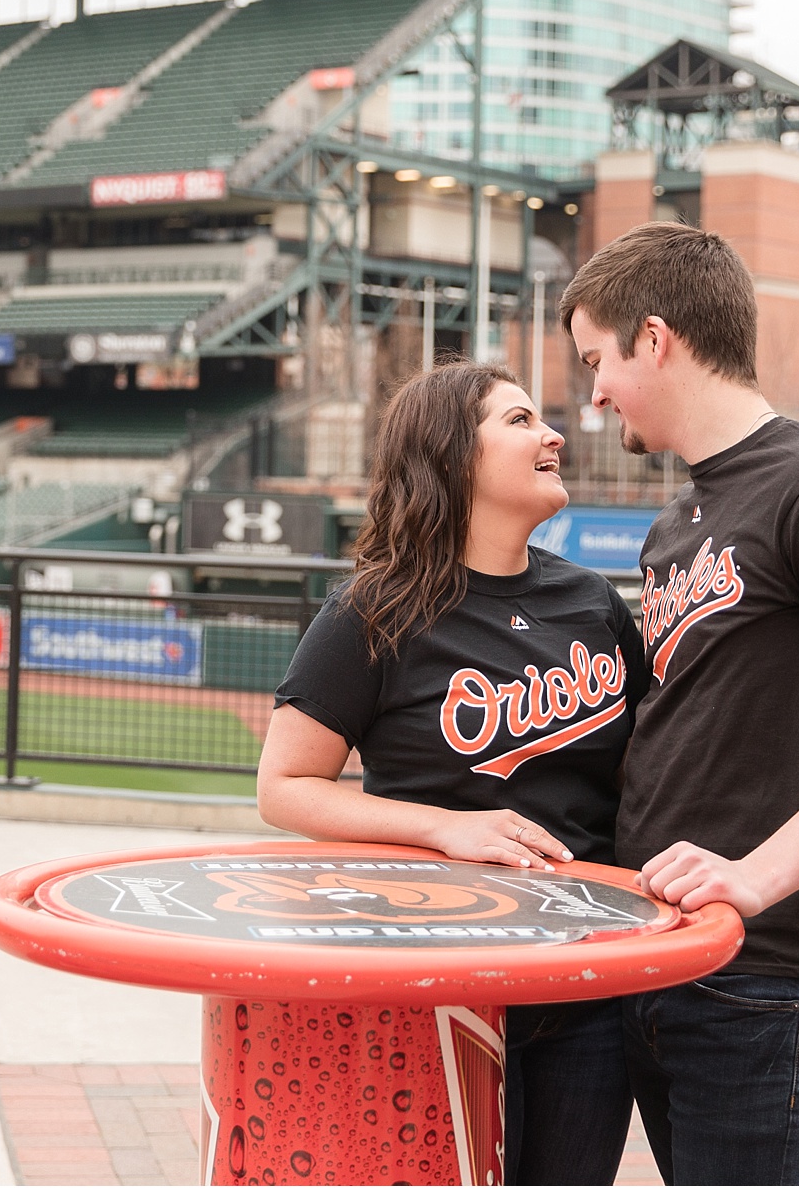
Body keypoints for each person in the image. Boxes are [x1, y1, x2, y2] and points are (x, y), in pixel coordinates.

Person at [558, 222, 799, 1186]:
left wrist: (756, 877)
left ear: (655, 338)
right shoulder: (676, 520)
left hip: (772, 973)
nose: (593, 391)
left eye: (596, 358)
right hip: (664, 955)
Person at [259, 359, 652, 1186]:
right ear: (449, 454)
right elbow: (284, 786)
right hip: (437, 973)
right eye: (517, 420)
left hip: (585, 978)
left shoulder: (593, 602)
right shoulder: (373, 608)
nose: (551, 434)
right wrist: (441, 825)